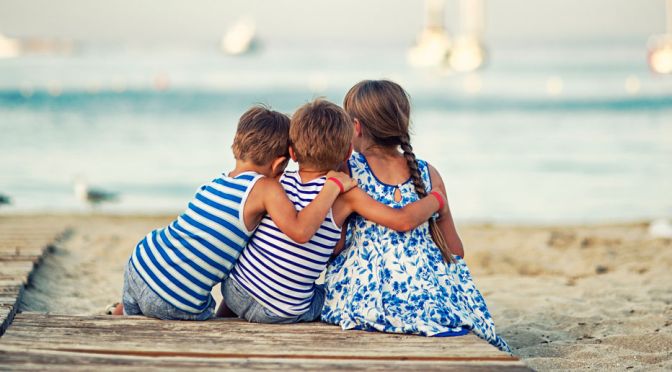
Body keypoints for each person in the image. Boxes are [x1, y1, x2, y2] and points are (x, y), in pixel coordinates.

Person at [111, 105, 356, 320]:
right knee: (203, 308)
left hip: (140, 262)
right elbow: (300, 231)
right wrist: (332, 186)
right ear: (280, 163)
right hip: (174, 299)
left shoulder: (214, 183)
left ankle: (124, 310)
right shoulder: (266, 189)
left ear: (236, 146)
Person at [321, 80, 510, 352]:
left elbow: (335, 246)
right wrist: (437, 206)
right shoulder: (428, 172)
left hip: (367, 292)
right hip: (432, 289)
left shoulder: (347, 172)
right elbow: (455, 251)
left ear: (356, 127)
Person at [218, 99, 446, 324]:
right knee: (329, 295)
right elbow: (402, 220)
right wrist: (436, 198)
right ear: (348, 153)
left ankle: (222, 318)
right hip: (282, 311)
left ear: (292, 154)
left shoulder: (275, 183)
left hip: (235, 292)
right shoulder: (344, 194)